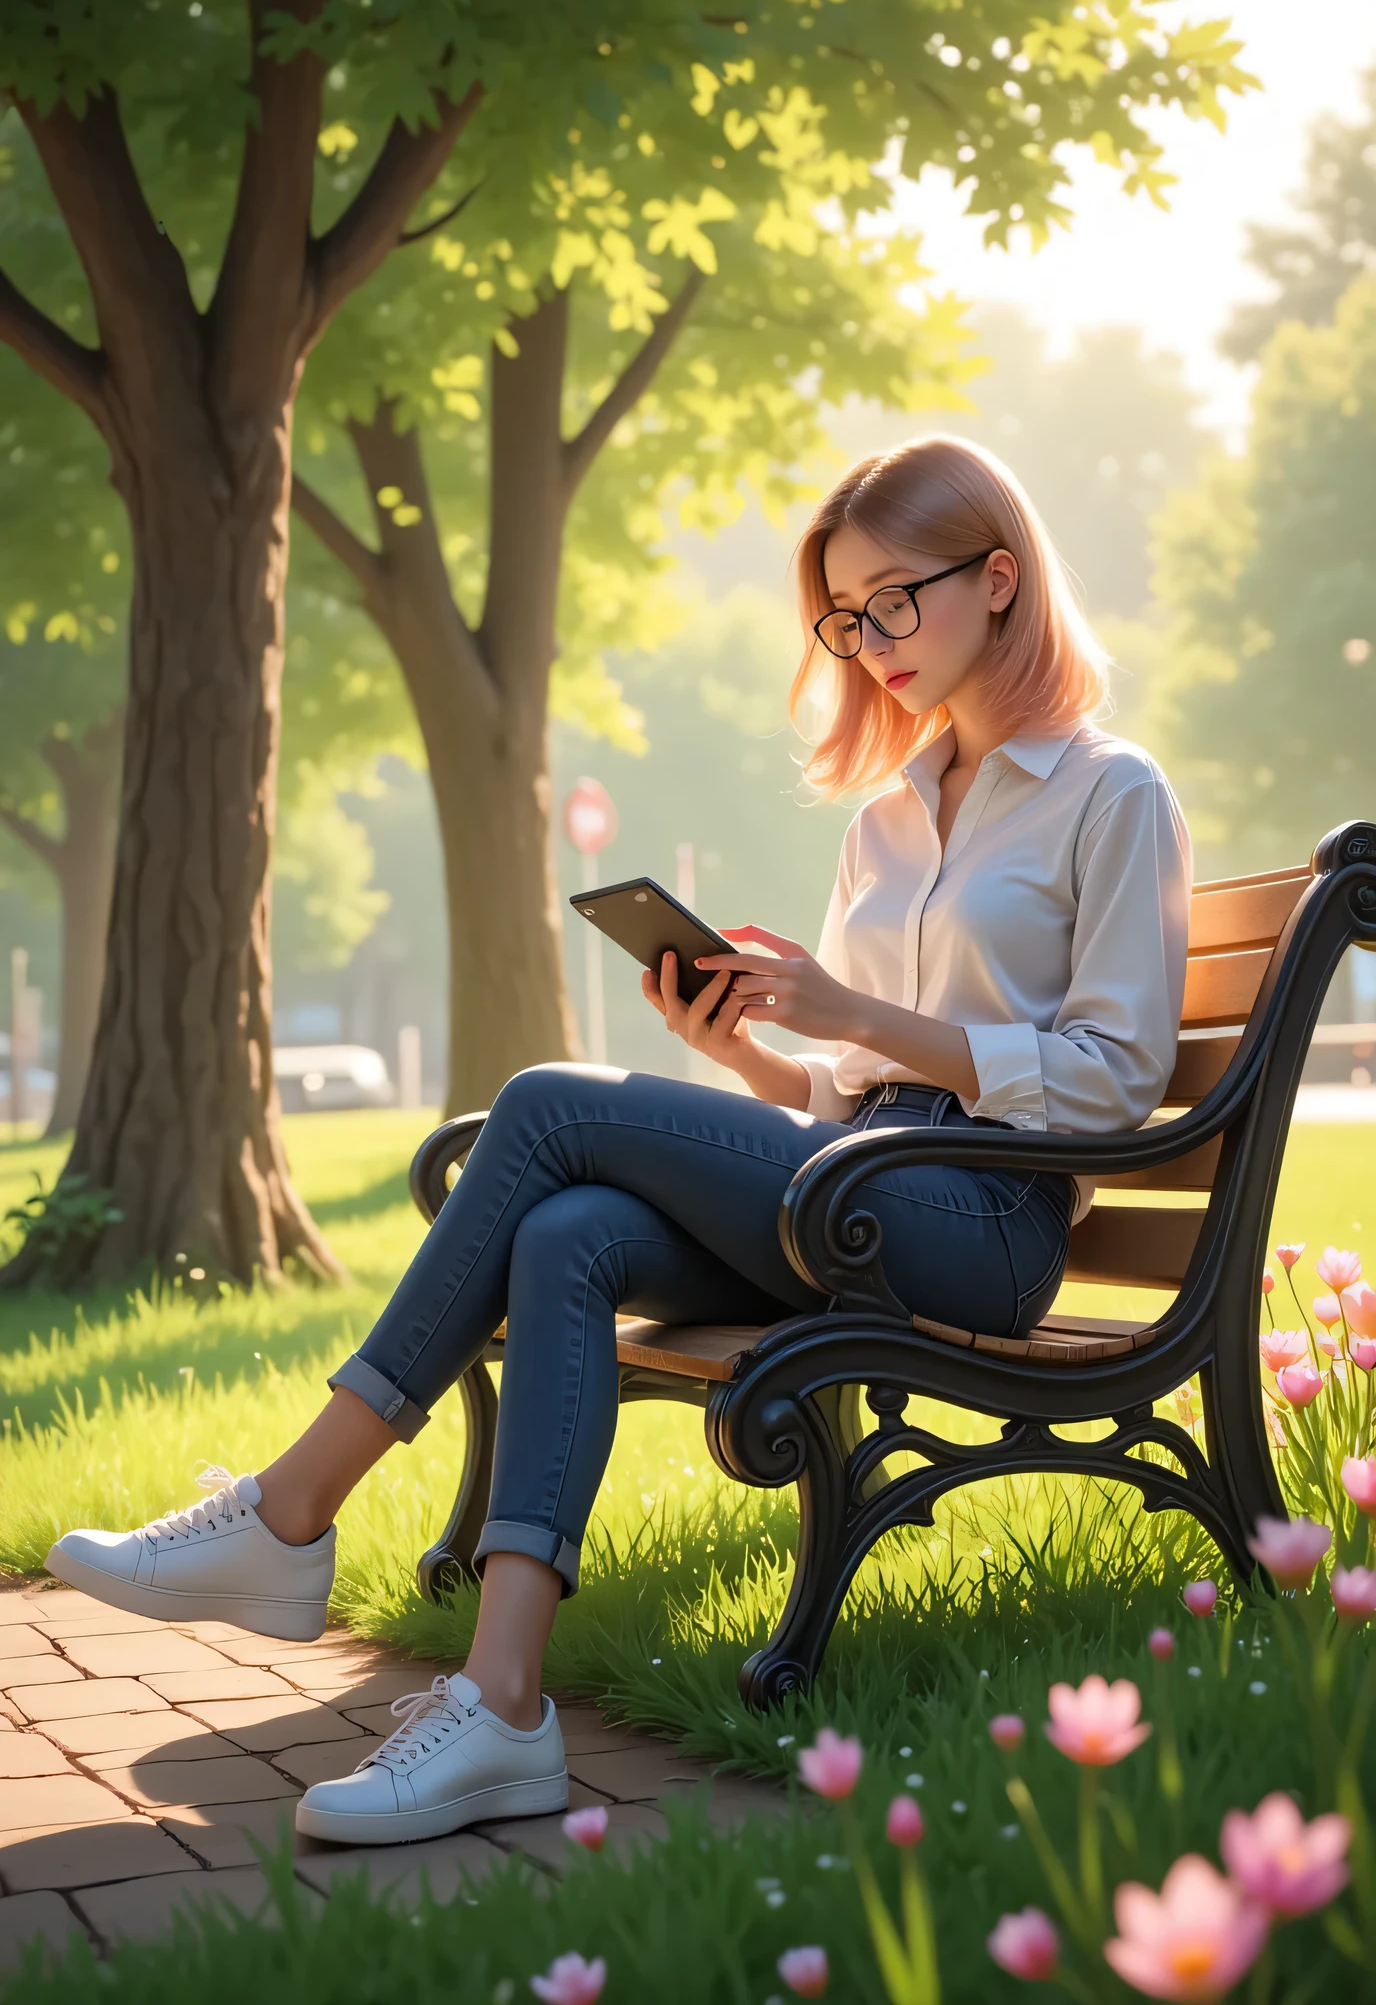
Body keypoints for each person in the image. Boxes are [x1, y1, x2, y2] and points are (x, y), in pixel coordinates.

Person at [47, 435, 1191, 1848]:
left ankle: (288, 1515)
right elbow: (837, 1099)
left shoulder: (1110, 793)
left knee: (545, 1102)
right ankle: (502, 1711)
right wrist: (751, 1052)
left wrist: (868, 1018)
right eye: (844, 616)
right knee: (566, 1232)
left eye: (896, 598)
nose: (868, 641)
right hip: (864, 1184)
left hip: (989, 1228)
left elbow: (1117, 1080)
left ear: (999, 579)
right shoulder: (887, 822)